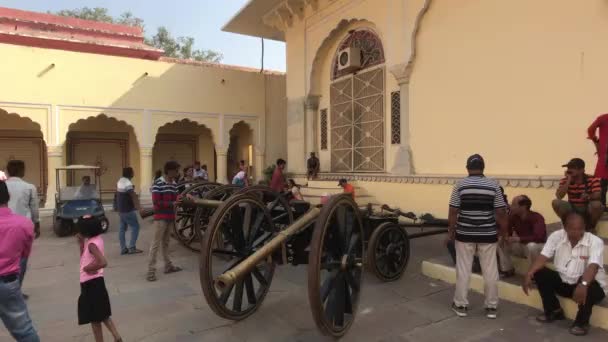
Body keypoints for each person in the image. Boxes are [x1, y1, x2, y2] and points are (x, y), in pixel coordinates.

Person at [523, 211, 607, 336]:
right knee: (540, 273)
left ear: (584, 227)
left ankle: (581, 322)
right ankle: (554, 311)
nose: (576, 232)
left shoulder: (595, 242)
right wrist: (529, 273)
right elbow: (543, 256)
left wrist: (583, 284)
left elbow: (593, 266)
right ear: (565, 227)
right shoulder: (556, 236)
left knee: (589, 287)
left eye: (580, 228)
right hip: (566, 282)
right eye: (572, 229)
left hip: (590, 286)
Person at [447, 154, 508, 319]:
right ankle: (491, 307)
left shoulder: (460, 185)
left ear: (467, 168)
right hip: (488, 234)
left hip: (464, 234)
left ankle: (460, 305)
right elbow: (501, 212)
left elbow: (453, 211)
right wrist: (504, 233)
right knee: (490, 271)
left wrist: (451, 231)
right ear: (483, 168)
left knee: (463, 270)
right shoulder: (493, 185)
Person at [0, 181, 40, 341]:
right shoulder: (24, 224)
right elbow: (24, 255)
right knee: (24, 331)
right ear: (8, 196)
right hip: (8, 283)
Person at [76, 215, 122, 342]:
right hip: (97, 283)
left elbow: (102, 262)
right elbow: (84, 259)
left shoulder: (91, 244)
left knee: (94, 320)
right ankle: (117, 337)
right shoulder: (96, 240)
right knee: (103, 314)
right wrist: (81, 244)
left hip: (90, 284)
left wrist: (88, 268)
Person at [5, 160, 40, 299]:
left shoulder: (3, 186)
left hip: (3, 225)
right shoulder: (29, 187)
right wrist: (37, 225)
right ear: (22, 171)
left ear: (7, 171)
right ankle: (16, 289)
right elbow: (34, 209)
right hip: (23, 227)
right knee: (22, 259)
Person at [147, 161, 183, 282]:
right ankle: (151, 271)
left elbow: (177, 197)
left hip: (169, 217)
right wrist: (172, 203)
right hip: (161, 218)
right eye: (176, 171)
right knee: (155, 245)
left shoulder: (173, 184)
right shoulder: (158, 183)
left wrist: (184, 197)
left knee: (166, 243)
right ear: (169, 171)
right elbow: (156, 202)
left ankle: (168, 266)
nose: (177, 173)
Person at [497, 195, 547, 277]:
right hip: (522, 245)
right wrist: (506, 237)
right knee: (501, 241)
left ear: (523, 207)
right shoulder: (514, 217)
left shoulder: (537, 217)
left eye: (514, 204)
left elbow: (539, 237)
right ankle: (507, 269)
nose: (511, 206)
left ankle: (536, 274)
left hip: (538, 246)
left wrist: (518, 239)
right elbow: (508, 230)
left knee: (532, 246)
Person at [552, 158, 603, 232]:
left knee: (597, 204)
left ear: (582, 170)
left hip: (587, 208)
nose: (570, 170)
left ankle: (590, 227)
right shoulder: (565, 180)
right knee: (556, 202)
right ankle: (568, 224)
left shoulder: (592, 179)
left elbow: (598, 195)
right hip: (572, 208)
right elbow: (559, 196)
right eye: (569, 168)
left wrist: (589, 196)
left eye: (573, 168)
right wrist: (568, 180)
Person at [116, 167, 142, 255]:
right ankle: (132, 247)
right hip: (128, 210)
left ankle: (123, 248)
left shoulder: (120, 181)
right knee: (135, 226)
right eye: (133, 172)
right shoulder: (127, 183)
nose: (133, 173)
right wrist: (139, 208)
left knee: (122, 228)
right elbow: (133, 196)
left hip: (121, 209)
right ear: (130, 173)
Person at [587, 114, 608, 206]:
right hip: (604, 155)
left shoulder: (604, 118)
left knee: (602, 184)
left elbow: (590, 130)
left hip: (605, 155)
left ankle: (601, 206)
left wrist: (596, 141)